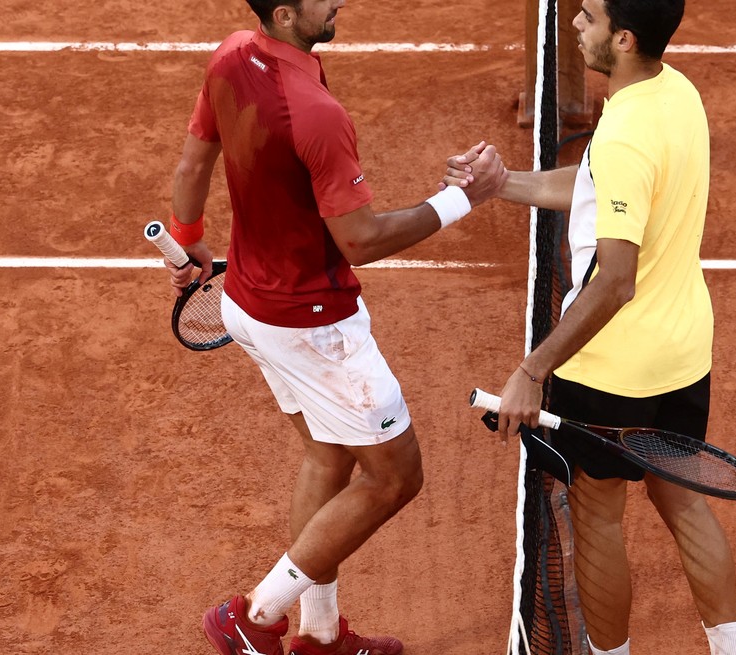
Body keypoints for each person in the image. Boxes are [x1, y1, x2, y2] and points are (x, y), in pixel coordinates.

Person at [162, 0, 507, 653]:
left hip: (247, 305)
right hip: (315, 328)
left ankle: (317, 634)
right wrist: (464, 196)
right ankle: (255, 617)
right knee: (395, 476)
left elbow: (190, 167)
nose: (338, 0)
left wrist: (188, 243)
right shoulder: (316, 113)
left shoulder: (233, 54)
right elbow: (362, 239)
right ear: (287, 12)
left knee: (328, 454)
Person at [442, 0, 736, 653]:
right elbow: (599, 184)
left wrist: (531, 369)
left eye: (589, 18)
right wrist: (505, 184)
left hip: (612, 373)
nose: (575, 25)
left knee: (597, 514)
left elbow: (615, 278)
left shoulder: (626, 130)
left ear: (625, 38)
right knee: (684, 501)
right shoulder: (678, 93)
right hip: (683, 354)